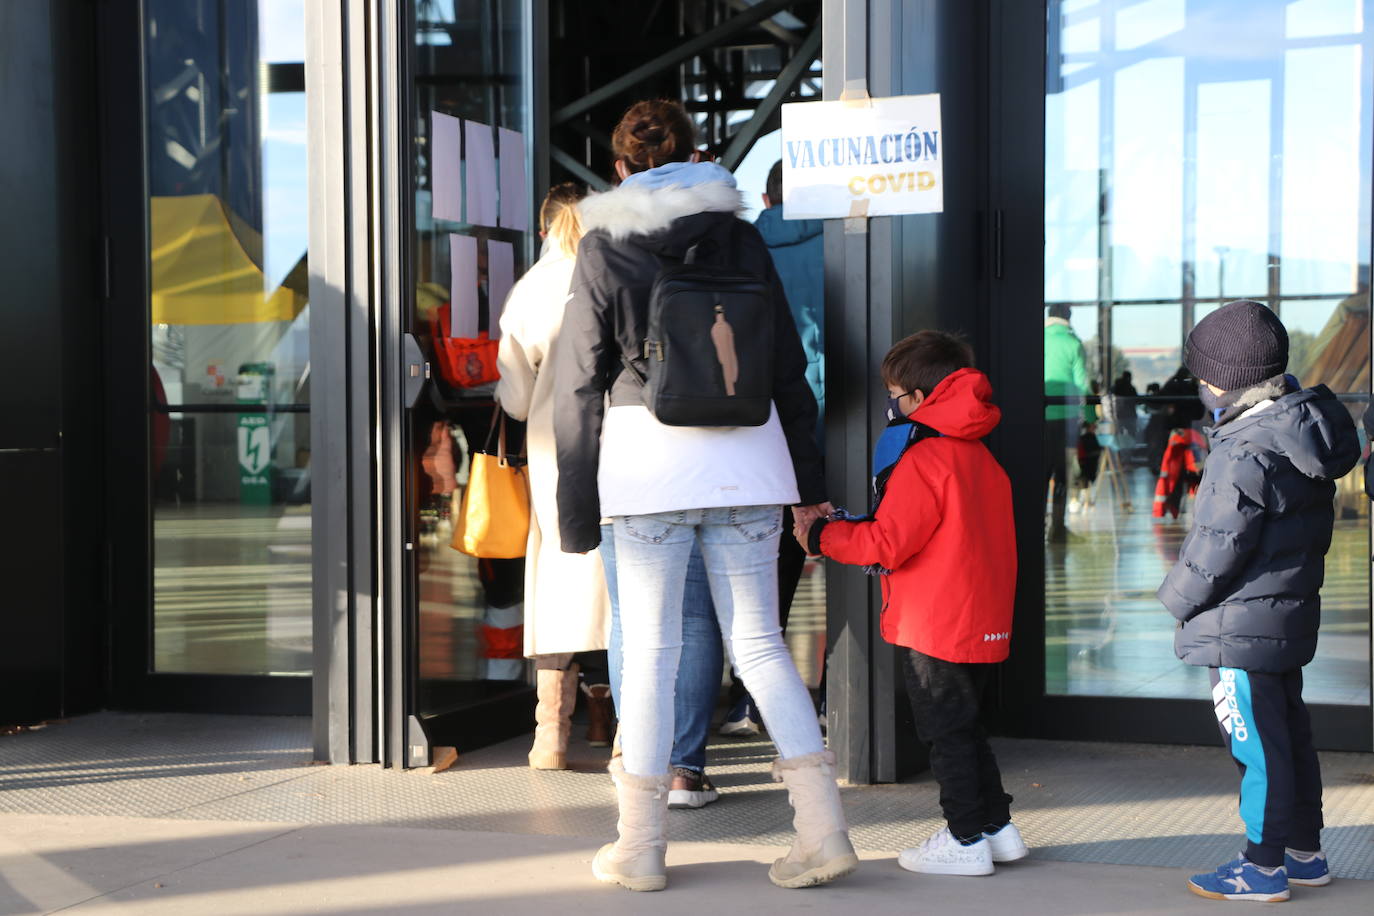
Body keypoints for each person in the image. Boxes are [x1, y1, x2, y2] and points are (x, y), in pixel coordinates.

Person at [554, 98, 855, 892]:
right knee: (759, 645)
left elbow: (577, 383)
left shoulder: (604, 242)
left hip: (645, 469)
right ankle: (822, 832)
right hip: (750, 464)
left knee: (649, 656)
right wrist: (808, 488)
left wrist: (577, 509)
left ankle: (641, 848)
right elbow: (787, 369)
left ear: (621, 169)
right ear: (696, 154)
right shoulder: (744, 237)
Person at [795, 330, 1023, 877]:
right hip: (981, 619)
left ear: (920, 399)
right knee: (967, 728)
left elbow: (888, 542)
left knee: (944, 733)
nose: (891, 407)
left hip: (934, 622)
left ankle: (964, 838)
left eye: (895, 395)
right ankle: (996, 827)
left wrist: (821, 537)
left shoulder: (925, 458)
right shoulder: (980, 458)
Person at [1157, 300, 1359, 903]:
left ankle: (1262, 865)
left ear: (1224, 379)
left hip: (1238, 626)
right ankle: (1303, 852)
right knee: (1288, 734)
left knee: (1256, 746)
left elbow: (1217, 544)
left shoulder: (1241, 449)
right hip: (1282, 618)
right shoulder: (1299, 431)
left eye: (1202, 375)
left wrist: (1176, 599)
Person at [495, 183, 611, 770]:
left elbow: (515, 401)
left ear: (543, 229)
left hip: (553, 457)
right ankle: (623, 738)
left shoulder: (531, 289)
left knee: (560, 592)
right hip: (618, 449)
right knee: (622, 594)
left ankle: (550, 739)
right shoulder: (616, 271)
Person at [721, 159, 825, 737]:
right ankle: (841, 691)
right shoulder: (848, 243)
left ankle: (750, 696)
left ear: (767, 194)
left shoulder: (744, 247)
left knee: (769, 566)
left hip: (769, 425)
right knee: (854, 550)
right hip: (845, 422)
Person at [1044, 303, 1090, 542]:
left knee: (1040, 472)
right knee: (1062, 473)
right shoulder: (1073, 344)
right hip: (1065, 418)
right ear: (1068, 318)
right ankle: (1057, 528)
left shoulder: (1038, 340)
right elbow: (1083, 385)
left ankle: (1036, 523)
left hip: (1038, 414)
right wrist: (1091, 418)